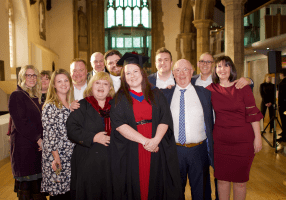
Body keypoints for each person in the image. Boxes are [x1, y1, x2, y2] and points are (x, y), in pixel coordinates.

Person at [110, 53, 183, 200]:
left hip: (157, 146)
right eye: (127, 73)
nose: (132, 76)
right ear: (124, 77)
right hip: (133, 148)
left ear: (142, 73)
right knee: (137, 186)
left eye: (135, 71)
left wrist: (155, 140)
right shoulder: (120, 98)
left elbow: (165, 118)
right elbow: (119, 125)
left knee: (157, 184)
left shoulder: (156, 94)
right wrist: (145, 142)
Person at [206, 56, 263, 200]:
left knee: (240, 182)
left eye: (226, 65)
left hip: (243, 143)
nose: (222, 69)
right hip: (220, 143)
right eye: (219, 66)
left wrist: (258, 138)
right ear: (215, 70)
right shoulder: (210, 89)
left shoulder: (242, 87)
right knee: (222, 180)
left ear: (231, 68)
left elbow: (253, 113)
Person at [161, 59, 214, 200]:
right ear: (173, 73)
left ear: (192, 72)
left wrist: (249, 81)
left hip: (199, 151)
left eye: (185, 69)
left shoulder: (205, 93)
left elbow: (227, 89)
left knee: (201, 192)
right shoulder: (165, 95)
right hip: (174, 151)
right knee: (175, 192)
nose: (181, 73)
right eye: (177, 70)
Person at [66, 72, 115, 199]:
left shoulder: (116, 106)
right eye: (97, 83)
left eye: (105, 84)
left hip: (111, 164)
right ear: (91, 86)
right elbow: (71, 129)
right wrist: (93, 137)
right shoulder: (82, 105)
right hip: (87, 163)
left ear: (110, 88)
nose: (101, 86)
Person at [8, 65, 46, 200]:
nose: (31, 78)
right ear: (21, 77)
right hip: (24, 150)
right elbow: (21, 123)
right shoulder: (16, 95)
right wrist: (38, 139)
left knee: (37, 190)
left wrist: (42, 140)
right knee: (28, 192)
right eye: (28, 75)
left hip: (36, 148)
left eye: (34, 75)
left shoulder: (36, 96)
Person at [41, 69, 75, 199]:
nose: (63, 84)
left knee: (67, 193)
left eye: (66, 80)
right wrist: (56, 158)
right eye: (59, 81)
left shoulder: (69, 104)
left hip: (69, 155)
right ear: (53, 85)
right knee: (59, 194)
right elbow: (50, 136)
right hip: (57, 156)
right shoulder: (50, 106)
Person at [277, 72, 286, 142]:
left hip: (283, 105)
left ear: (282, 75)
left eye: (280, 74)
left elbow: (281, 96)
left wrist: (279, 104)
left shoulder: (282, 83)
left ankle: (284, 137)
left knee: (284, 120)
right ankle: (284, 133)